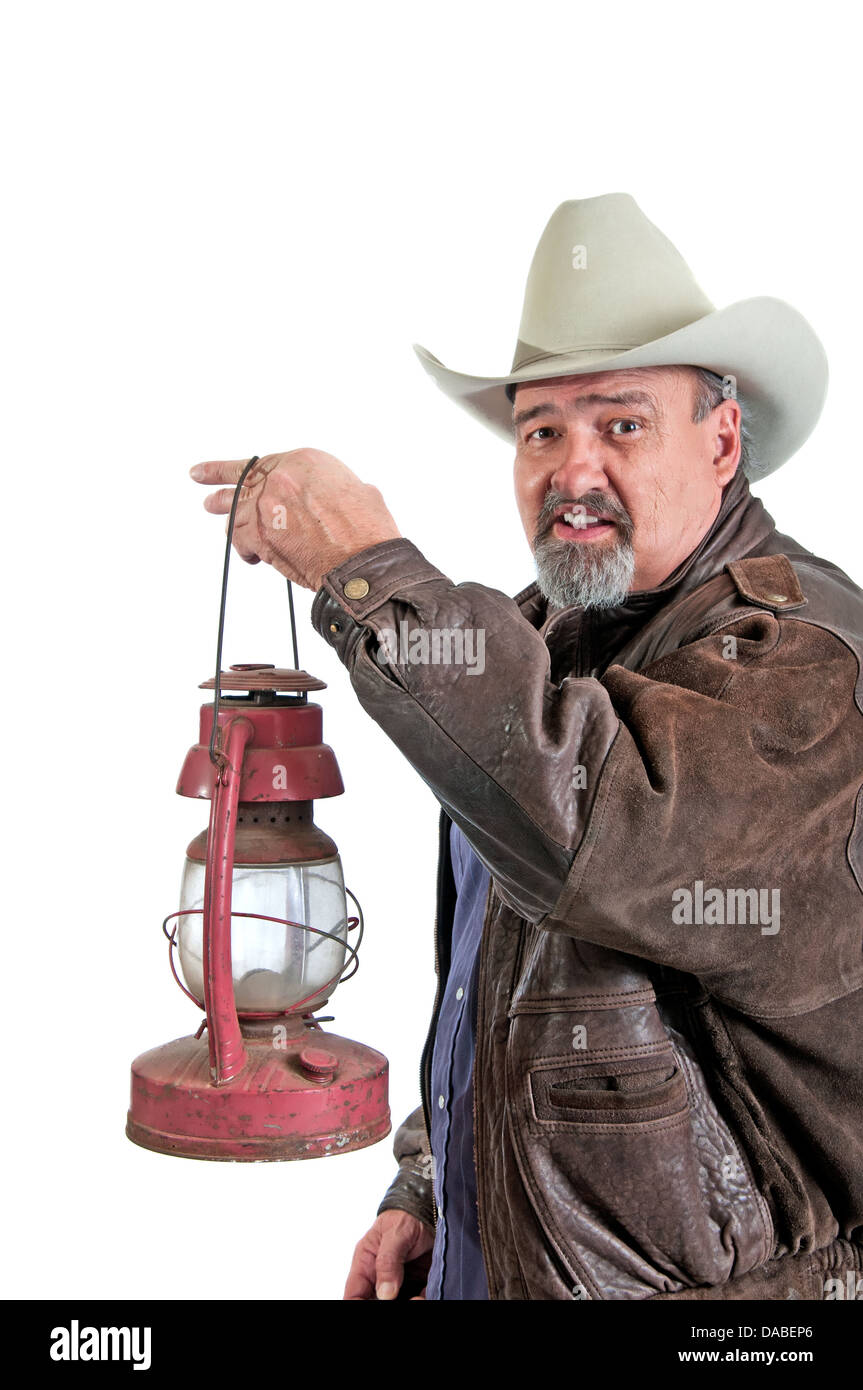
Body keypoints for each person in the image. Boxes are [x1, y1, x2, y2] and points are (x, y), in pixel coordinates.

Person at [191, 194, 863, 1301]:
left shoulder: (797, 661)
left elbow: (600, 837)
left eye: (622, 424)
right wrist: (431, 1185)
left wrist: (368, 572)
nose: (571, 468)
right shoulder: (536, 643)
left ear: (722, 439)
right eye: (541, 430)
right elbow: (507, 975)